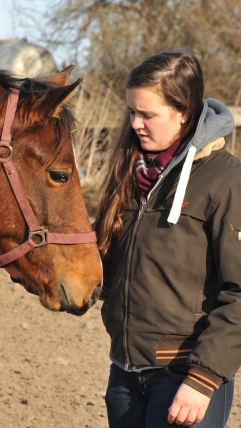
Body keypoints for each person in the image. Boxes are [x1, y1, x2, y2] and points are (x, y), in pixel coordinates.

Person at [94, 51, 240, 427]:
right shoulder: (127, 172)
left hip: (185, 378)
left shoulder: (226, 180)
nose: (135, 124)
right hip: (124, 374)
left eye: (147, 114)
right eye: (131, 112)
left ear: (184, 114)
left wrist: (203, 378)